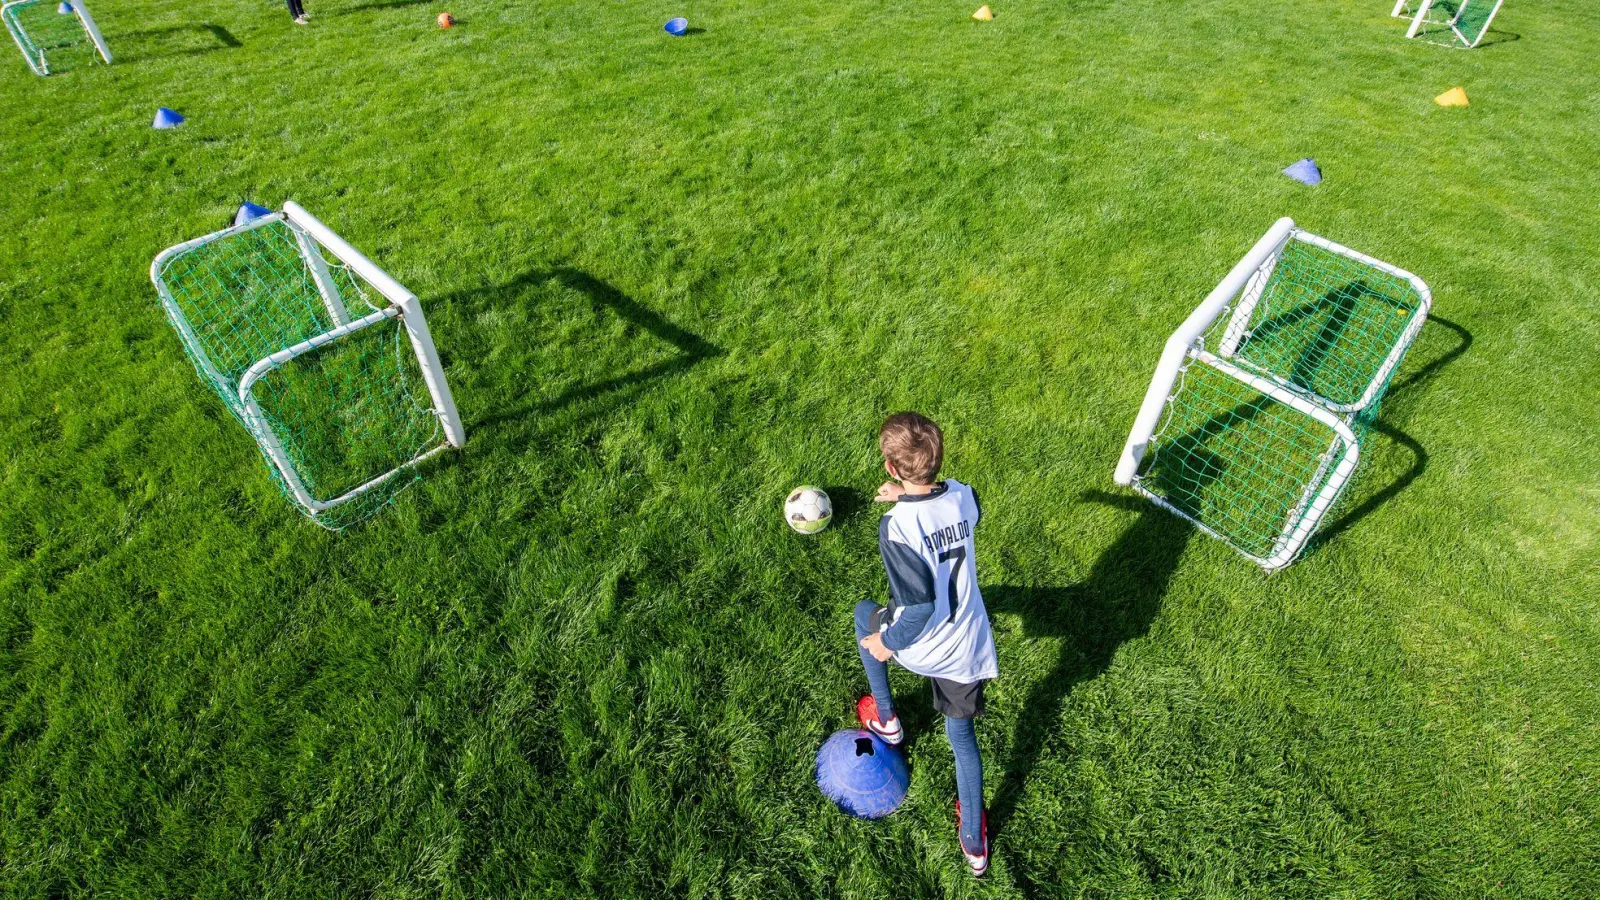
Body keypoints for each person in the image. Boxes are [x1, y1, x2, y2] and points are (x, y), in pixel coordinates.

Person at [855, 412, 998, 876]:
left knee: (864, 615)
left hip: (921, 642)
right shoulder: (963, 495)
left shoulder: (896, 527)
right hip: (967, 647)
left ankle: (888, 719)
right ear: (937, 460)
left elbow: (917, 608)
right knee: (962, 740)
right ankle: (974, 843)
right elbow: (953, 508)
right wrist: (911, 495)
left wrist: (887, 643)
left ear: (892, 468)